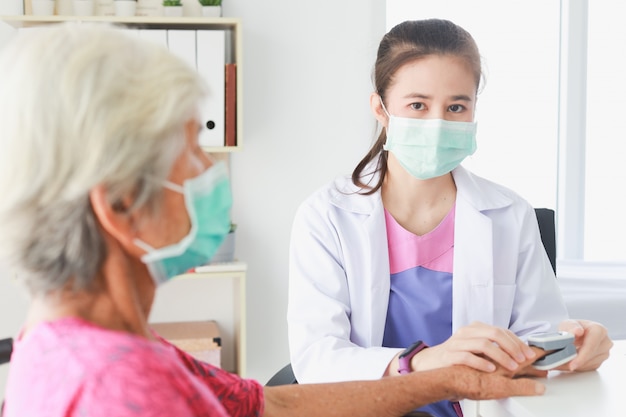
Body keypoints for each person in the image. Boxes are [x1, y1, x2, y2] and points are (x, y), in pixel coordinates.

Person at [0, 22, 549, 417]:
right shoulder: (116, 388)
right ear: (119, 202)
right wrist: (426, 370)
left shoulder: (107, 347)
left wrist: (448, 377)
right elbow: (312, 364)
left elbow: (271, 403)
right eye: (192, 150)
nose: (209, 171)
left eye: (458, 104)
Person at [287, 18, 613, 417]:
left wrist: (574, 345)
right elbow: (317, 357)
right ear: (381, 109)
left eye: (456, 106)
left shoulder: (510, 214)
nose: (438, 123)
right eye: (418, 105)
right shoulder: (327, 216)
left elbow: (536, 339)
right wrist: (420, 363)